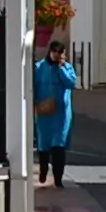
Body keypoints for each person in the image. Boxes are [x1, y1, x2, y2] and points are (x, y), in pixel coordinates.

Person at [31, 32, 76, 186]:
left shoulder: (67, 68)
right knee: (43, 145)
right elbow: (33, 88)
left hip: (61, 113)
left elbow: (71, 83)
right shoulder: (39, 67)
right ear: (50, 51)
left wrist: (62, 68)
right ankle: (43, 169)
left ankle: (58, 178)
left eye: (60, 52)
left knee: (59, 146)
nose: (56, 55)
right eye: (54, 51)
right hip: (44, 112)